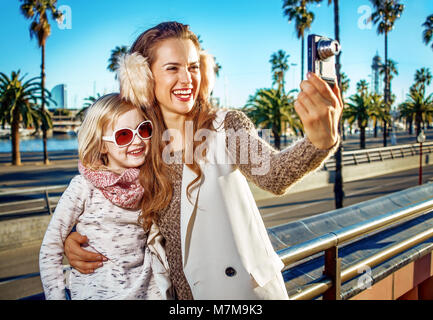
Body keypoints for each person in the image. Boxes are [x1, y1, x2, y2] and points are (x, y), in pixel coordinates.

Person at [64, 21, 344, 300]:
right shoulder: (141, 147)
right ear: (144, 78)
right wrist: (76, 238)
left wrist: (320, 142)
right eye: (173, 68)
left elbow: (275, 175)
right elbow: (112, 205)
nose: (187, 80)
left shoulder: (226, 127)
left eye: (193, 67)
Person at [39, 93, 172, 300]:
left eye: (144, 129)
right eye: (124, 135)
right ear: (102, 145)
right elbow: (50, 249)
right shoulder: (83, 187)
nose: (137, 140)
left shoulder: (153, 184)